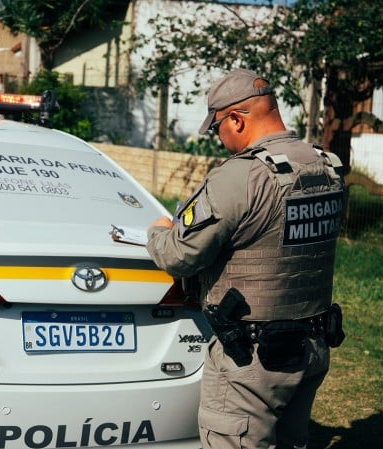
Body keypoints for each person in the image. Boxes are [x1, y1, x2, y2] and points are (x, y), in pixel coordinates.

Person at [145, 68, 346, 449]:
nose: (219, 139)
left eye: (218, 127)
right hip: (312, 346)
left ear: (236, 119)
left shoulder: (239, 176)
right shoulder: (328, 167)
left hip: (252, 360)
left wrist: (157, 231)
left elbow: (179, 254)